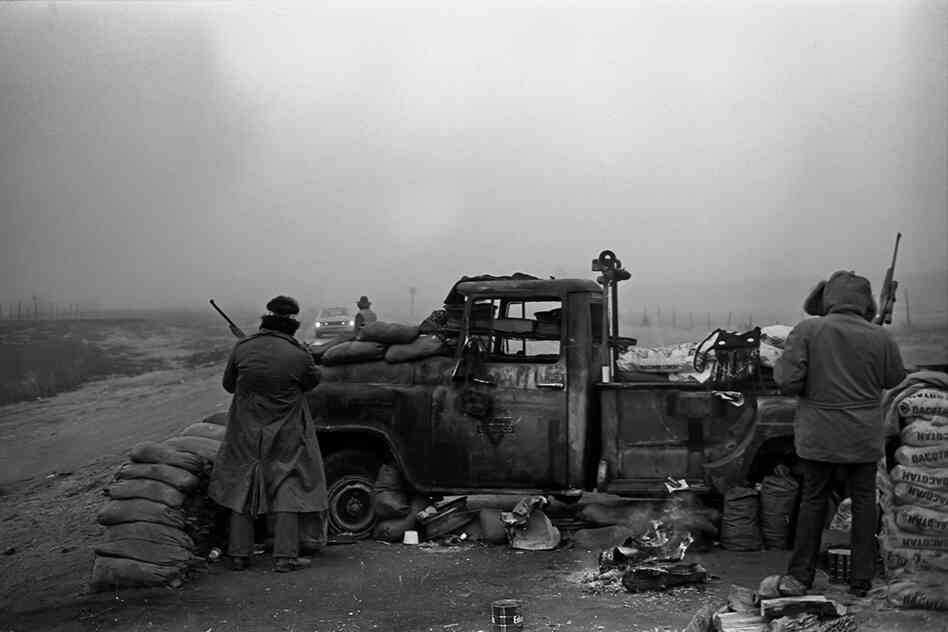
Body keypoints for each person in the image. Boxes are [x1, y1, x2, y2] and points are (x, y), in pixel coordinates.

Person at [774, 270, 906, 597]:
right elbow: (893, 378)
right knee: (864, 504)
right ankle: (861, 580)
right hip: (863, 437)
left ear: (829, 298)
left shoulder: (807, 330)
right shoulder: (880, 336)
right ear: (865, 302)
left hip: (818, 435)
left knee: (813, 501)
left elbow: (787, 382)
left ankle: (799, 577)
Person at [208, 295, 328, 573]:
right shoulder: (298, 354)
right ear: (293, 323)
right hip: (286, 431)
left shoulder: (243, 347)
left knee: (243, 483)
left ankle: (239, 554)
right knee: (288, 484)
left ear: (267, 317)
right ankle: (285, 557)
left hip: (245, 430)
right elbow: (311, 382)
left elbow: (229, 386)